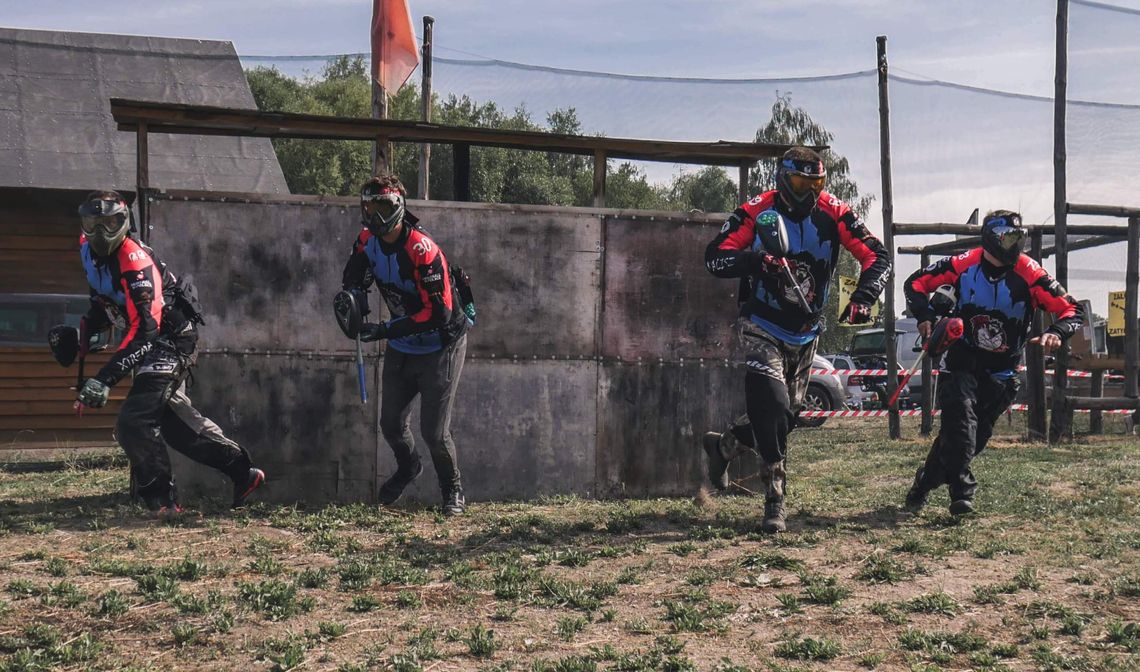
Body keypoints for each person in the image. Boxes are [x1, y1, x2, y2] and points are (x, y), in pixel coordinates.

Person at [701, 147, 891, 533]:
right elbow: (715, 256)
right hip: (761, 324)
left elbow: (878, 256)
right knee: (771, 404)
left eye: (816, 183)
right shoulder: (757, 210)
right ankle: (775, 500)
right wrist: (756, 260)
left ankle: (722, 447)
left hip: (806, 332)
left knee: (784, 417)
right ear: (783, 180)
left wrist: (864, 296)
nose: (809, 191)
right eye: (801, 182)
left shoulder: (835, 211)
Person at [54, 190, 265, 514]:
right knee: (174, 428)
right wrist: (85, 335)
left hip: (170, 339)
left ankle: (161, 502)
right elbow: (102, 297)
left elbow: (145, 330)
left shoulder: (135, 261)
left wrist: (106, 379)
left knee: (134, 421)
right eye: (92, 224)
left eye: (110, 224)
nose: (100, 233)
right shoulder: (87, 250)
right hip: (148, 340)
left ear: (125, 223)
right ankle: (242, 472)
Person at [902, 210, 1084, 515]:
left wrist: (1057, 331)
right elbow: (915, 284)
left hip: (1002, 372)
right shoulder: (963, 264)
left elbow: (1071, 310)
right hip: (961, 359)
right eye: (1007, 238)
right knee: (960, 426)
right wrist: (926, 318)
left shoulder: (1031, 273)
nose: (1014, 245)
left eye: (1019, 238)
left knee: (969, 439)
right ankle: (962, 492)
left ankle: (924, 483)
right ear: (990, 238)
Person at [339, 174, 472, 516]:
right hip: (404, 344)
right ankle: (409, 467)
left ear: (399, 207)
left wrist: (383, 330)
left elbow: (438, 314)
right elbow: (351, 277)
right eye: (369, 206)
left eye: (383, 206)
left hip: (441, 345)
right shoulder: (366, 239)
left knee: (434, 432)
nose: (374, 215)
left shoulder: (421, 250)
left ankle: (452, 489)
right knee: (391, 425)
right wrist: (352, 302)